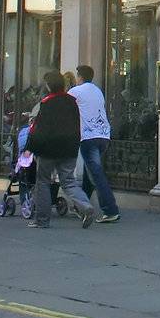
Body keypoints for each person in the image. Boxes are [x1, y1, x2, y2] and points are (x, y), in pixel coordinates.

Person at [25, 69, 96, 230]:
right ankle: (85, 205)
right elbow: (77, 124)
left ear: (49, 86)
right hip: (69, 148)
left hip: (49, 149)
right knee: (69, 181)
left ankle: (42, 220)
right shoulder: (72, 101)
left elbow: (39, 129)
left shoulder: (47, 103)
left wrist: (29, 148)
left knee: (42, 181)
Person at [70, 65, 120, 223]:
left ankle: (110, 209)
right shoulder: (97, 90)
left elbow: (65, 107)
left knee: (96, 175)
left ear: (80, 77)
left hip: (88, 136)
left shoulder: (76, 91)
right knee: (89, 173)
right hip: (103, 136)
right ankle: (81, 206)